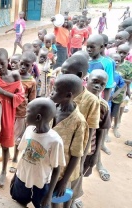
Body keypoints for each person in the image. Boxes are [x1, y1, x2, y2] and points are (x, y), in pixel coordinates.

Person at [10, 98, 66, 208]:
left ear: (38, 117)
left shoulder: (55, 141)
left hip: (41, 184)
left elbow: (56, 169)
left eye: (28, 112)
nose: (25, 115)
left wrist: (49, 195)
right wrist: (15, 176)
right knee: (19, 202)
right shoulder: (29, 130)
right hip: (21, 178)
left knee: (40, 205)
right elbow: (23, 155)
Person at [60, 55, 100, 208]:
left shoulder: (91, 101)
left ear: (79, 76)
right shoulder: (60, 91)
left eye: (65, 72)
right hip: (59, 149)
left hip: (76, 153)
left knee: (70, 185)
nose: (61, 75)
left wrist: (84, 157)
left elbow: (91, 130)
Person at [50, 74, 89, 208]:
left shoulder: (79, 122)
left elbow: (77, 154)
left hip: (61, 173)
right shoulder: (52, 108)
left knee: (55, 201)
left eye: (54, 90)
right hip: (46, 167)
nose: (51, 92)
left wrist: (64, 181)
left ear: (68, 95)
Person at [0, 48, 25, 187]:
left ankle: (3, 171)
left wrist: (4, 92)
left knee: (5, 145)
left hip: (9, 116)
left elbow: (21, 97)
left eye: (2, 64)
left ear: (8, 61)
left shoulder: (15, 76)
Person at [9, 51, 37, 173]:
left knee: (18, 138)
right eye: (21, 64)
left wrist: (29, 116)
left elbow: (32, 100)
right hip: (9, 111)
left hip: (21, 114)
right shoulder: (13, 76)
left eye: (27, 65)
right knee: (7, 134)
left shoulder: (32, 82)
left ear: (32, 66)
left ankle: (15, 158)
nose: (23, 67)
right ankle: (6, 154)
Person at [85, 70, 111, 182]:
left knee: (81, 173)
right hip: (70, 146)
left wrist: (96, 154)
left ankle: (74, 196)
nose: (97, 86)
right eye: (95, 81)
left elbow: (101, 131)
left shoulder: (103, 106)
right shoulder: (75, 98)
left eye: (102, 84)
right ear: (87, 80)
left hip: (88, 148)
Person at [87, 34, 115, 101]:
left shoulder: (107, 63)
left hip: (97, 98)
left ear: (101, 47)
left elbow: (108, 86)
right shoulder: (84, 59)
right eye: (87, 47)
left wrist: (105, 103)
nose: (89, 49)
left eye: (92, 47)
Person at [109, 53, 126, 138]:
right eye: (114, 60)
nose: (116, 62)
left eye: (118, 61)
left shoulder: (117, 75)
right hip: (103, 99)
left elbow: (123, 85)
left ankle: (108, 132)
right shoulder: (105, 72)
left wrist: (115, 94)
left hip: (112, 100)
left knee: (111, 116)